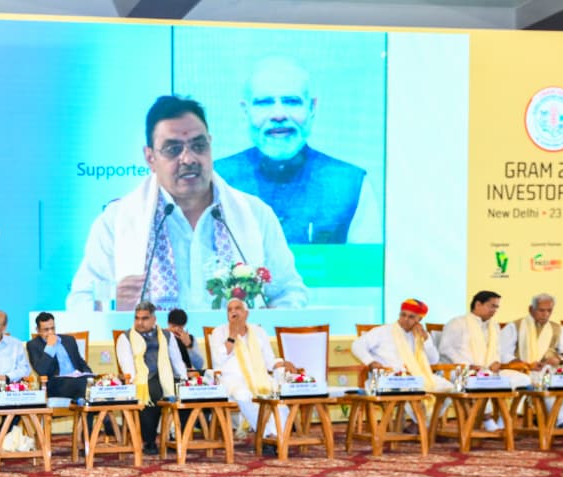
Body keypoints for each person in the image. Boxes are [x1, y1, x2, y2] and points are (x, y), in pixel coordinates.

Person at [66, 95, 307, 312]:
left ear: (210, 145)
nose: (189, 159)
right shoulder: (117, 220)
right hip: (149, 348)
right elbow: (80, 301)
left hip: (235, 346)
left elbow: (289, 292)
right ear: (150, 158)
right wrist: (112, 303)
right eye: (173, 149)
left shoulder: (255, 214)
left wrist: (269, 324)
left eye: (198, 146)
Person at [215, 56, 378, 245]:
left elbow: (368, 262)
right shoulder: (216, 179)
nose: (278, 115)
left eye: (292, 101)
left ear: (312, 108)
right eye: (264, 102)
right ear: (246, 111)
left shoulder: (351, 183)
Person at [440, 290, 530, 431]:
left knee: (524, 379)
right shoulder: (457, 323)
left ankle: (505, 417)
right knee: (481, 379)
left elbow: (497, 350)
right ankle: (487, 419)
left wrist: (496, 361)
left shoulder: (494, 326)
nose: (494, 310)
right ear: (478, 304)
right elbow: (446, 349)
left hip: (488, 370)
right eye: (492, 306)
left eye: (497, 307)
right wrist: (468, 365)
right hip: (462, 371)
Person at [209, 297, 296, 437]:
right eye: (229, 310)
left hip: (260, 378)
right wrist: (232, 335)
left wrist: (283, 363)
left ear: (246, 313)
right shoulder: (219, 332)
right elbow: (218, 360)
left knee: (277, 395)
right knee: (243, 394)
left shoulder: (258, 331)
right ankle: (266, 435)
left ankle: (277, 435)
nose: (233, 312)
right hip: (233, 381)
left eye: (237, 308)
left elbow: (269, 360)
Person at [115, 301, 188, 455]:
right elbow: (128, 368)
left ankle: (176, 436)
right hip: (143, 380)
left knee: (186, 392)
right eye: (137, 318)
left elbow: (177, 362)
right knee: (151, 391)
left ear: (154, 319)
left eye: (144, 318)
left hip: (167, 377)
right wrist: (136, 384)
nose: (140, 322)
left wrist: (185, 382)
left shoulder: (167, 336)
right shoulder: (125, 337)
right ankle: (149, 440)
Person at [499, 293, 563, 427]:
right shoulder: (515, 326)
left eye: (549, 311)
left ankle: (556, 418)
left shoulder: (557, 328)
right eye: (541, 310)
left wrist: (559, 358)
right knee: (536, 380)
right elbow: (502, 353)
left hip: (548, 370)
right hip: (521, 371)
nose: (545, 314)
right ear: (531, 309)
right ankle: (555, 420)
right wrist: (525, 365)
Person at [350, 299, 451, 393]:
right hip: (389, 379)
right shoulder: (383, 331)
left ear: (419, 319)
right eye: (403, 315)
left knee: (448, 388)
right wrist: (370, 362)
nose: (405, 319)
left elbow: (433, 361)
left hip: (415, 378)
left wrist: (426, 340)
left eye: (411, 317)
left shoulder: (420, 335)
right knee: (418, 389)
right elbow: (357, 345)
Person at [26, 312, 95, 399]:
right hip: (56, 384)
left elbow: (80, 362)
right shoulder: (33, 345)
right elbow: (41, 370)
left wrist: (90, 376)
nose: (50, 332)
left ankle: (95, 407)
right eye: (46, 330)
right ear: (38, 330)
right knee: (83, 386)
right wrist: (49, 347)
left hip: (78, 380)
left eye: (52, 328)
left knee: (99, 385)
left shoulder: (69, 340)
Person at [166, 308, 205, 373]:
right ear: (168, 323)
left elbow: (199, 366)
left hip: (186, 375)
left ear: (184, 325)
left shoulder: (190, 339)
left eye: (180, 327)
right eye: (173, 326)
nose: (176, 329)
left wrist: (189, 346)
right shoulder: (160, 337)